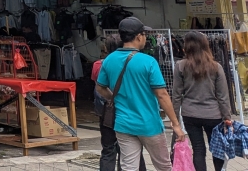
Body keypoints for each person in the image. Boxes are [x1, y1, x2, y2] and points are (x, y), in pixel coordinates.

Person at [96, 17, 185, 171]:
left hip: (123, 124)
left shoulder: (109, 60)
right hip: (149, 124)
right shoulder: (148, 61)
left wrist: (114, 97)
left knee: (129, 167)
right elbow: (162, 95)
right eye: (144, 34)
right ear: (138, 36)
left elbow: (100, 88)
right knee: (164, 166)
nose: (145, 38)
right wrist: (175, 124)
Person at [171, 31, 233, 171]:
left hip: (190, 114)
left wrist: (174, 119)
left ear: (187, 46)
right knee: (217, 148)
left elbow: (176, 95)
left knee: (198, 149)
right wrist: (227, 117)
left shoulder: (180, 66)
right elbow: (223, 96)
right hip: (213, 115)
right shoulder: (216, 67)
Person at [94, 36, 146, 171]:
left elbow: (98, 85)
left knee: (108, 149)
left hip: (107, 111)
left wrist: (111, 98)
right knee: (131, 149)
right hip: (127, 110)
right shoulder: (133, 63)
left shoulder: (99, 65)